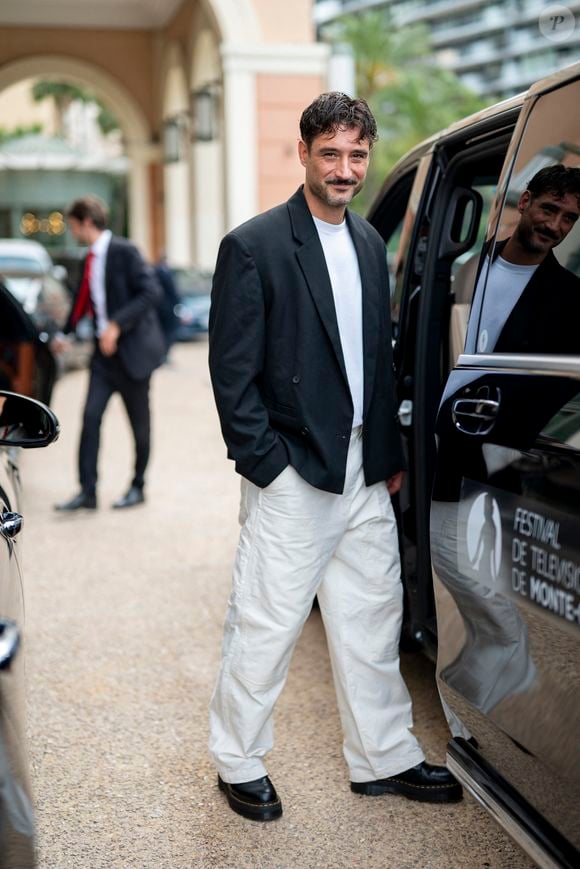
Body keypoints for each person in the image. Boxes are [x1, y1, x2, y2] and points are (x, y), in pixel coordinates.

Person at [208, 92, 462, 822]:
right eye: (332, 153)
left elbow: (375, 367)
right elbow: (233, 375)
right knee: (267, 620)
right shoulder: (253, 246)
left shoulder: (368, 245)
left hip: (362, 471)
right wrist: (268, 465)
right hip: (294, 469)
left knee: (372, 614)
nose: (345, 168)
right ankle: (238, 759)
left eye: (357, 154)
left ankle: (383, 755)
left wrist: (384, 454)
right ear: (304, 154)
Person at [53, 195, 165, 511]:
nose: (72, 232)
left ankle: (138, 486)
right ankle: (87, 492)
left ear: (87, 222)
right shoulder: (88, 260)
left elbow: (151, 292)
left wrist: (116, 324)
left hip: (133, 355)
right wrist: (65, 334)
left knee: (139, 427)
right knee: (90, 419)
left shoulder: (125, 251)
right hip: (103, 360)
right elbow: (81, 300)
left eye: (74, 226)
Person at [477, 164, 580, 354]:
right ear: (524, 201)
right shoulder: (473, 267)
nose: (554, 226)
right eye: (548, 209)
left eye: (569, 218)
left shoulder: (573, 298)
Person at [154, 254, 181, 361]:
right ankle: (164, 354)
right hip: (167, 308)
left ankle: (163, 354)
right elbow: (172, 291)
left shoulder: (156, 271)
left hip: (162, 308)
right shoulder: (164, 272)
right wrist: (178, 303)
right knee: (169, 332)